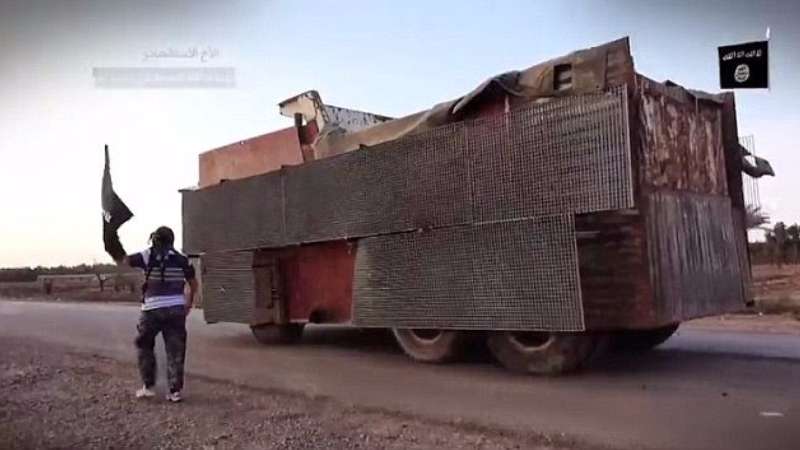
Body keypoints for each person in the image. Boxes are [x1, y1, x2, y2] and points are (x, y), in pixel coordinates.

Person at [113, 226, 197, 403]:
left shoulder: (147, 255)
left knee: (144, 346)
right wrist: (189, 302)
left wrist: (113, 242)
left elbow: (124, 260)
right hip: (176, 309)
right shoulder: (182, 259)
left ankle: (148, 386)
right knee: (176, 350)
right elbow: (193, 283)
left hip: (151, 309)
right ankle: (174, 391)